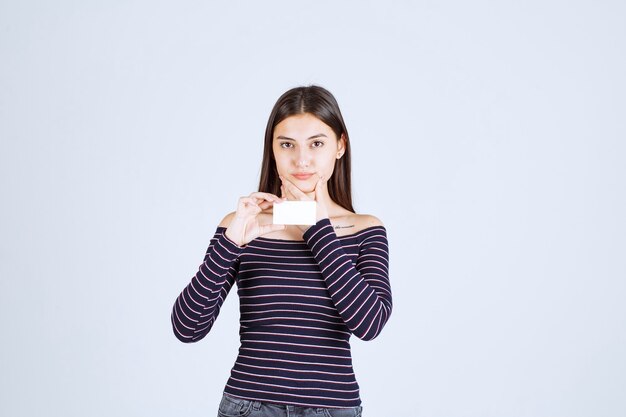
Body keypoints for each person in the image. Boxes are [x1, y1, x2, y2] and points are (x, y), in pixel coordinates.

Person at [171, 85, 392, 417]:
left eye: (316, 143)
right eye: (287, 144)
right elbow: (187, 328)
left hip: (331, 408)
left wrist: (318, 230)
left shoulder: (364, 229)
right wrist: (230, 244)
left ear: (340, 146)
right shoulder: (243, 224)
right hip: (249, 405)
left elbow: (369, 323)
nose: (301, 159)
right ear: (272, 150)